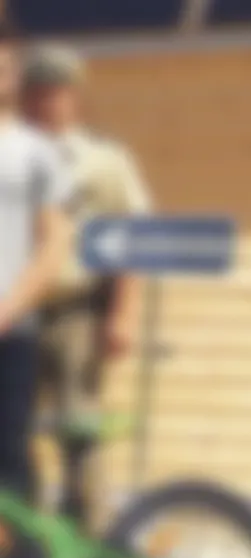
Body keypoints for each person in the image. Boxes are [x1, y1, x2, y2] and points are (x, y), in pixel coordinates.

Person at [22, 41, 152, 529]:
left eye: (56, 92)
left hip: (78, 314)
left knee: (81, 434)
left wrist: (121, 314)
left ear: (72, 97)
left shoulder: (103, 161)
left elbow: (133, 237)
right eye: (38, 92)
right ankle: (28, 551)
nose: (47, 102)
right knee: (13, 438)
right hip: (19, 320)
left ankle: (96, 548)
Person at [0, 25, 72, 510]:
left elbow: (55, 245)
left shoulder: (36, 152)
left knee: (8, 460)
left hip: (13, 337)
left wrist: (5, 313)